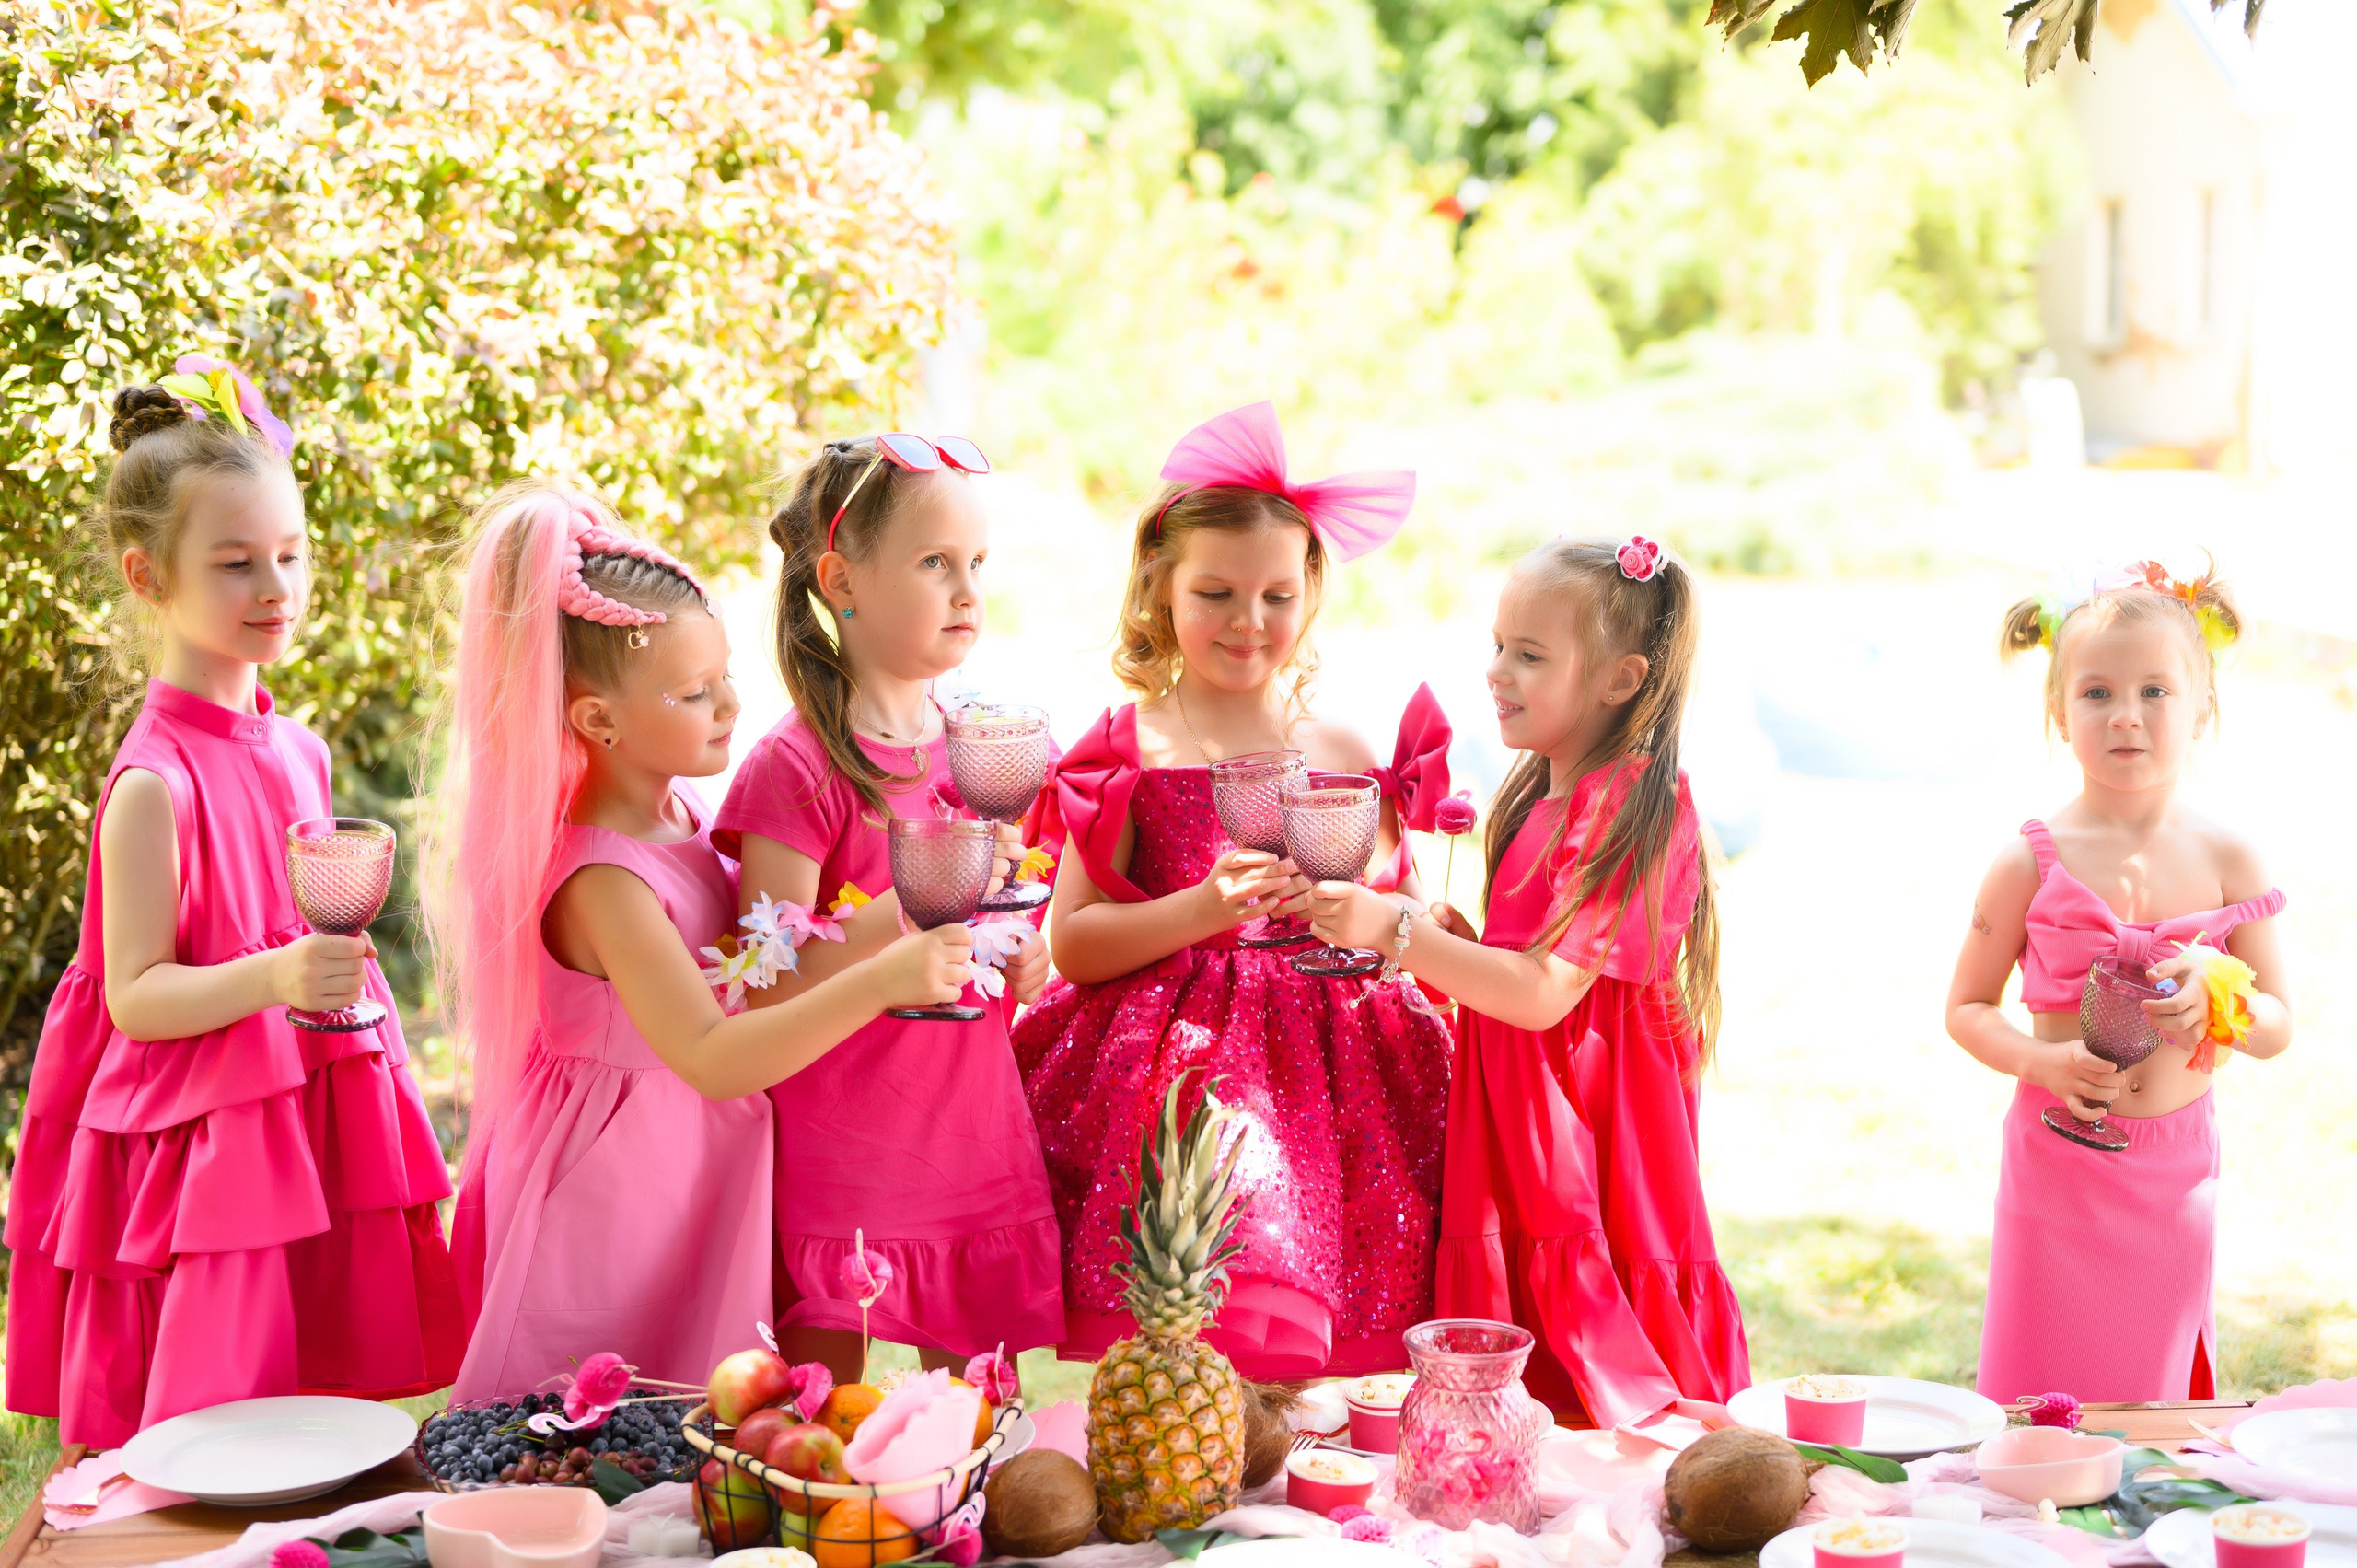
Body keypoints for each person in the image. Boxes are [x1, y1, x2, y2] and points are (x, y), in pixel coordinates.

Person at [433, 482, 976, 1399]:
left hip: (691, 1169)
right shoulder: (602, 880)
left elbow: (765, 961)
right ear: (597, 721)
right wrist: (883, 977)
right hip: (615, 1183)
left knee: (695, 1423)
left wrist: (924, 900)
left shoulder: (679, 814)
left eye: (724, 674)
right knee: (592, 1416)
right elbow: (715, 1055)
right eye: (693, 692)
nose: (729, 703)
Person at [3, 369, 461, 1446]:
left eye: (291, 555)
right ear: (146, 574)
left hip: (296, 1102)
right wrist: (275, 975)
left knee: (314, 1399)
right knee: (210, 1417)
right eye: (236, 562)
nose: (276, 584)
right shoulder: (154, 784)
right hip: (201, 1138)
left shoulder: (297, 748)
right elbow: (134, 998)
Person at [1014, 401, 1454, 1380]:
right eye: (1214, 592)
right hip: (1186, 1078)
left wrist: (1391, 919)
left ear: (1309, 596)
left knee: (1308, 1334)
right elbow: (1076, 941)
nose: (1247, 621)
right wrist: (1202, 910)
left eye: (1275, 595)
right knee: (1200, 1311)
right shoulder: (1127, 748)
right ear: (1158, 590)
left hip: (1340, 1080)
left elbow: (1397, 917)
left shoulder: (1341, 752)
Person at [1309, 535, 1747, 1426]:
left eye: (1530, 654)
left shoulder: (1631, 801)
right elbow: (1516, 963)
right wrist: (1444, 936)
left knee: (1592, 1307)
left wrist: (1389, 929)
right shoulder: (1543, 794)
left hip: (1588, 1123)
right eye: (1498, 644)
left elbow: (1545, 992)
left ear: (1620, 680)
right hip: (1523, 1106)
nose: (1496, 670)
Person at [716, 436, 1058, 1383]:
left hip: (965, 1131)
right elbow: (766, 979)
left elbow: (998, 925)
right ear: (843, 579)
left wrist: (1024, 958)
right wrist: (893, 935)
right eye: (934, 562)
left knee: (978, 1429)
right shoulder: (796, 769)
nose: (966, 591)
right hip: (846, 1150)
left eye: (976, 564)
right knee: (819, 1421)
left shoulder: (980, 747)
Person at [1948, 560, 2289, 1404]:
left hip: (2173, 1171)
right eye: (2096, 693)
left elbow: (2278, 1026)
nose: (2126, 716)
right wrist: (2042, 1061)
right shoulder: (2028, 860)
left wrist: (2220, 989)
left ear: (2202, 703)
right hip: (2059, 1163)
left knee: (2150, 1395)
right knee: (2044, 1385)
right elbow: (1966, 1008)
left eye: (2155, 691)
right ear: (2060, 712)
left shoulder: (2228, 858)